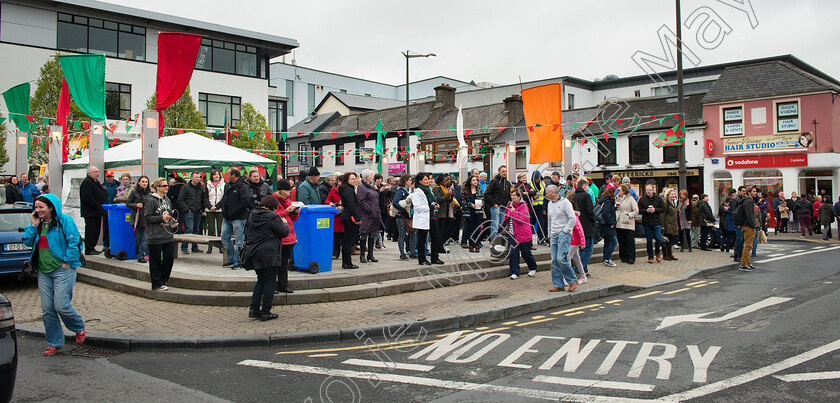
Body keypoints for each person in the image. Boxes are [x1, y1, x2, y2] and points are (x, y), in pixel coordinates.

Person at [23, 194, 86, 356]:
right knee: (47, 310)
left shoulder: (64, 220)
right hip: (43, 271)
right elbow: (27, 241)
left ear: (51, 207)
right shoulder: (38, 224)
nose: (37, 210)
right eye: (36, 207)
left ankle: (78, 327)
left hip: (62, 269)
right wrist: (33, 224)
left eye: (41, 207)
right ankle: (55, 343)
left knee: (61, 305)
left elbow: (75, 241)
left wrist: (67, 261)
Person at [244, 195, 290, 321]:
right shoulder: (272, 216)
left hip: (255, 252)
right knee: (270, 282)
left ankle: (254, 309)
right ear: (272, 207)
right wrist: (284, 224)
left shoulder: (253, 214)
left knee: (261, 280)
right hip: (269, 253)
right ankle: (265, 311)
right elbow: (283, 232)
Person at [145, 178, 179, 290]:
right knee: (155, 260)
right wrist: (161, 218)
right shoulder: (151, 200)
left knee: (169, 258)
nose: (166, 187)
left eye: (167, 186)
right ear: (157, 187)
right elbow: (147, 217)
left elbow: (168, 214)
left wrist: (172, 222)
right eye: (164, 186)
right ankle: (156, 283)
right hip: (155, 235)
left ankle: (163, 280)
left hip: (167, 234)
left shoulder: (167, 200)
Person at [545, 185, 578, 292]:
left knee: (561, 258)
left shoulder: (565, 203)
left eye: (547, 193)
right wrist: (549, 233)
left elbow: (572, 218)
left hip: (563, 233)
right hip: (554, 234)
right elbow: (549, 220)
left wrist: (566, 230)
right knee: (554, 260)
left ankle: (572, 280)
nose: (545, 195)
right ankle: (558, 284)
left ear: (553, 193)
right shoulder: (550, 204)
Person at [220, 168, 252, 269]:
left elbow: (245, 202)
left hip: (238, 217)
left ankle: (238, 260)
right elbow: (224, 199)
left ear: (234, 175)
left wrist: (233, 211)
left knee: (239, 240)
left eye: (228, 174)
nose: (226, 175)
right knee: (224, 237)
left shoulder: (243, 186)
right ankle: (232, 258)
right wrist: (221, 207)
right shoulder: (227, 185)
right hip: (227, 217)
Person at [271, 179, 298, 292]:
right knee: (276, 262)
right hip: (280, 235)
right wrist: (287, 211)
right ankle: (272, 286)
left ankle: (283, 285)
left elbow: (292, 219)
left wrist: (296, 213)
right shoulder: (273, 200)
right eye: (287, 190)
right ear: (281, 191)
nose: (289, 193)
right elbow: (275, 215)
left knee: (284, 262)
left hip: (289, 234)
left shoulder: (288, 201)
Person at [504, 188, 538, 279]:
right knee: (513, 253)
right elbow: (506, 216)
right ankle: (515, 272)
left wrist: (513, 212)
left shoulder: (524, 206)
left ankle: (532, 267)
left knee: (525, 252)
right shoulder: (509, 204)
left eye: (514, 195)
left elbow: (522, 219)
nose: (512, 197)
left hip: (523, 233)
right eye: (511, 195)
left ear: (519, 197)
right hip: (512, 233)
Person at [413, 172, 444, 266]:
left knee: (435, 237)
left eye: (428, 179)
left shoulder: (429, 190)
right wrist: (430, 207)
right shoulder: (418, 192)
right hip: (423, 217)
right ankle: (422, 259)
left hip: (432, 216)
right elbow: (417, 207)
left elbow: (433, 200)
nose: (428, 181)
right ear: (420, 181)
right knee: (422, 239)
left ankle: (435, 257)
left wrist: (435, 204)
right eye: (425, 179)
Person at [178, 172, 212, 254]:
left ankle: (194, 247)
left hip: (198, 211)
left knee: (196, 230)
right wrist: (187, 209)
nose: (197, 179)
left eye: (199, 177)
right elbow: (180, 200)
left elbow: (204, 198)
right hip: (189, 211)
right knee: (189, 228)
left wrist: (203, 208)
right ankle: (184, 246)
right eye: (196, 177)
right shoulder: (185, 187)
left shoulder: (201, 187)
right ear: (191, 177)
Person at [570, 178, 596, 275]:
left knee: (581, 249)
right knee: (588, 249)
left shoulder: (574, 197)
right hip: (587, 225)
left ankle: (583, 270)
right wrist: (593, 220)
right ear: (584, 186)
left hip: (577, 225)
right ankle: (578, 268)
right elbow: (590, 211)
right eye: (587, 186)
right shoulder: (587, 196)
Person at [79, 166, 108, 255]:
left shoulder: (95, 182)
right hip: (91, 212)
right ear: (90, 173)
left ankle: (92, 247)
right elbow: (87, 197)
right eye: (95, 172)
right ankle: (89, 248)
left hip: (97, 212)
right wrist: (97, 205)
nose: (98, 173)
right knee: (91, 230)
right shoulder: (87, 182)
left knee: (96, 230)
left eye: (98, 171)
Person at [357, 169, 383, 263]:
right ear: (367, 177)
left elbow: (375, 198)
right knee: (364, 234)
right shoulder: (362, 187)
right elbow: (361, 201)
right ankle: (362, 255)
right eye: (372, 176)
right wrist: (370, 209)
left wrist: (378, 191)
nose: (373, 178)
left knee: (372, 234)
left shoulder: (372, 187)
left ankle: (370, 254)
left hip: (374, 215)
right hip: (366, 215)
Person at [338, 172, 361, 269]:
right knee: (348, 241)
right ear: (347, 180)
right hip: (349, 217)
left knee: (347, 241)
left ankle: (346, 262)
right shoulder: (348, 190)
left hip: (347, 216)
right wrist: (357, 218)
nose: (354, 180)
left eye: (355, 179)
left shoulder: (348, 189)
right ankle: (348, 263)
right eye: (352, 179)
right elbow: (352, 205)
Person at [125, 176, 151, 263]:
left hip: (145, 218)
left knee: (144, 238)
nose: (144, 184)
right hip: (136, 218)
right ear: (139, 182)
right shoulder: (134, 192)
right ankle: (138, 252)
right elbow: (128, 203)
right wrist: (136, 205)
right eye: (143, 182)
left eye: (146, 182)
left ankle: (141, 255)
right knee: (138, 238)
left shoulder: (149, 193)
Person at [638, 184, 665, 264]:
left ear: (653, 190)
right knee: (649, 240)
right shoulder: (642, 199)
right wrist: (646, 210)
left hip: (656, 222)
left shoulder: (658, 199)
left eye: (650, 190)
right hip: (647, 222)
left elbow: (663, 209)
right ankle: (650, 256)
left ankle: (657, 253)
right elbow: (639, 210)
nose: (648, 191)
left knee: (658, 238)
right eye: (647, 190)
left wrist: (655, 210)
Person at [393, 174, 417, 259]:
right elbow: (395, 202)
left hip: (409, 215)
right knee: (402, 234)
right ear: (405, 181)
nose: (411, 182)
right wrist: (403, 210)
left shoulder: (409, 190)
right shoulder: (400, 191)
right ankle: (402, 253)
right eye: (410, 180)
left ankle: (412, 251)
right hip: (401, 216)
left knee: (413, 233)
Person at [736, 186, 759, 271]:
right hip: (748, 226)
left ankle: (747, 262)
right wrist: (753, 225)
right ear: (749, 193)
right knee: (748, 245)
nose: (755, 193)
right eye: (753, 191)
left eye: (756, 191)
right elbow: (749, 215)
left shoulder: (746, 201)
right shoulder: (749, 202)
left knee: (749, 245)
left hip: (745, 225)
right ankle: (743, 264)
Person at [484, 166, 511, 236]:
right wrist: (493, 203)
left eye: (506, 171)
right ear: (499, 172)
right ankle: (493, 238)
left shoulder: (507, 183)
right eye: (503, 171)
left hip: (503, 206)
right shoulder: (494, 181)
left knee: (501, 224)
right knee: (495, 224)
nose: (505, 173)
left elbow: (508, 195)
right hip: (495, 206)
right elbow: (487, 194)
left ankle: (498, 238)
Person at [615, 184, 639, 264]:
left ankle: (631, 258)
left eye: (619, 190)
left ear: (623, 191)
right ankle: (623, 257)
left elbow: (636, 210)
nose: (617, 191)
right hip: (619, 222)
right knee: (621, 241)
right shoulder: (617, 198)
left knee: (630, 241)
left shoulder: (630, 199)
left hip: (628, 222)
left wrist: (629, 215)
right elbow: (616, 208)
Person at [324, 174, 346, 260]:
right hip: (336, 216)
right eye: (340, 181)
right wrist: (331, 204)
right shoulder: (333, 190)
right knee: (335, 236)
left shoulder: (347, 190)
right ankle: (335, 253)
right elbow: (327, 200)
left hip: (344, 215)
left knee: (344, 236)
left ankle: (345, 253)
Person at [433, 174, 456, 249]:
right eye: (444, 181)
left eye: (447, 181)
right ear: (440, 181)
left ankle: (442, 245)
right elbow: (439, 199)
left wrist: (451, 195)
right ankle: (439, 246)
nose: (446, 182)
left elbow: (449, 200)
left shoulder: (445, 189)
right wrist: (447, 194)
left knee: (444, 231)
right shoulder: (437, 188)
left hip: (445, 212)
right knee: (440, 231)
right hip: (440, 213)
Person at [462, 175, 483, 253]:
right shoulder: (466, 191)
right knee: (470, 228)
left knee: (477, 228)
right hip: (469, 212)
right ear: (470, 182)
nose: (476, 182)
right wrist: (470, 205)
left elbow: (482, 198)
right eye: (474, 180)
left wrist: (482, 204)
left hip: (478, 211)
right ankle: (471, 244)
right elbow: (463, 202)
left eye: (476, 180)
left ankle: (477, 244)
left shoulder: (479, 189)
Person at [205, 170, 225, 253]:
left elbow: (224, 197)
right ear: (211, 176)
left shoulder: (224, 185)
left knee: (220, 227)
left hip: (220, 209)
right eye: (214, 175)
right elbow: (205, 197)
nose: (216, 176)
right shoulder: (207, 185)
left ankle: (221, 246)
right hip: (210, 209)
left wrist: (217, 206)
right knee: (211, 228)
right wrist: (210, 206)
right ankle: (210, 246)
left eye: (218, 174)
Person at [598, 187, 618, 267]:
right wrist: (611, 223)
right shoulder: (608, 202)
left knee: (607, 242)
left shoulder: (603, 200)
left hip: (603, 225)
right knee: (613, 242)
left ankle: (605, 259)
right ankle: (607, 258)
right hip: (608, 226)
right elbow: (605, 213)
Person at [661, 188, 679, 261]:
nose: (673, 196)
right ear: (668, 195)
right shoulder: (666, 203)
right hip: (667, 224)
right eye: (672, 194)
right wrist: (662, 225)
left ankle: (670, 254)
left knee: (670, 240)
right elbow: (663, 214)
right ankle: (665, 254)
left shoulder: (674, 203)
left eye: (674, 194)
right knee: (666, 240)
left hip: (673, 224)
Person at [531, 170, 548, 245]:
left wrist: (544, 208)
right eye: (536, 179)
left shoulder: (543, 184)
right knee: (531, 223)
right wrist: (534, 197)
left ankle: (541, 239)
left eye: (538, 178)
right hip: (533, 207)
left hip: (541, 206)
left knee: (541, 223)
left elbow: (545, 196)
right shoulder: (530, 184)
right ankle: (529, 240)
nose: (537, 180)